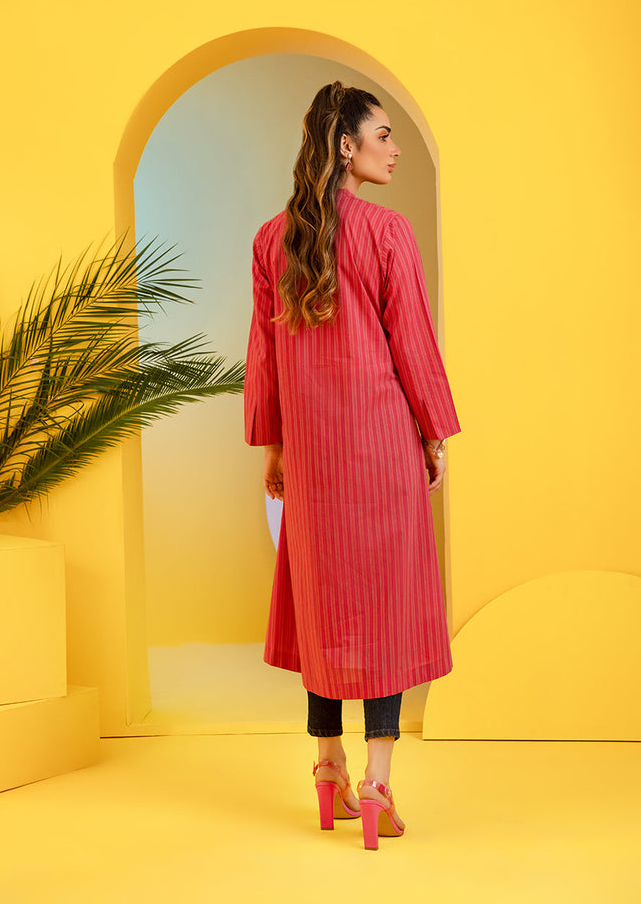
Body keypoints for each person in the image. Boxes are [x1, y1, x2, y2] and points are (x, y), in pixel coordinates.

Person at [244, 80, 461, 850]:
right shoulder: (388, 232)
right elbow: (413, 344)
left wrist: (275, 445)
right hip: (382, 449)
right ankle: (376, 780)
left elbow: (264, 353)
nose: (394, 149)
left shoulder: (271, 240)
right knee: (387, 607)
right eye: (383, 134)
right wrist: (432, 433)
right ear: (346, 145)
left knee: (322, 605)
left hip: (312, 457)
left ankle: (327, 764)